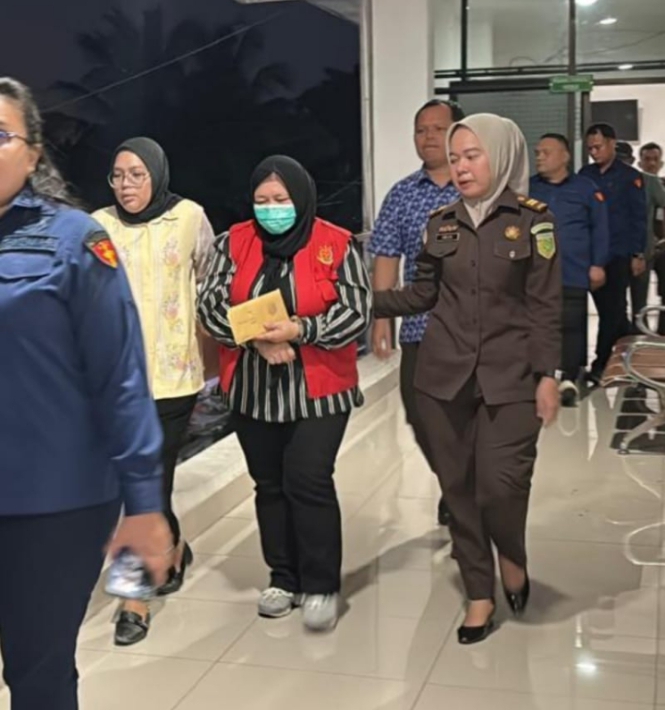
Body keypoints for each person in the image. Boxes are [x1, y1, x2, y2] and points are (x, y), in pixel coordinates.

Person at [0, 77, 171, 710]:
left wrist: (145, 506)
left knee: (37, 673)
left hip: (52, 504)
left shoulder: (73, 241)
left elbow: (120, 378)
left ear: (33, 153)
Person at [373, 114, 561, 645]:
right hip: (442, 378)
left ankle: (512, 557)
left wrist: (548, 375)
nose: (460, 166)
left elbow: (545, 306)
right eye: (455, 158)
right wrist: (363, 302)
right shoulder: (441, 223)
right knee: (457, 489)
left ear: (499, 156)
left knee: (501, 486)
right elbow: (422, 293)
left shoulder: (534, 221)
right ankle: (479, 591)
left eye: (472, 155)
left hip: (511, 377)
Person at [198, 156, 371, 632]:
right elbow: (209, 304)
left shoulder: (336, 244)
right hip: (253, 388)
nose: (271, 209)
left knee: (308, 479)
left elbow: (356, 310)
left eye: (280, 199)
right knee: (269, 484)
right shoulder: (232, 243)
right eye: (262, 201)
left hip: (319, 388)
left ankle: (320, 585)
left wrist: (299, 330)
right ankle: (282, 577)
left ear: (301, 197)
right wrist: (256, 337)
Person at [92, 138, 213, 646]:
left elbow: (210, 282)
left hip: (172, 379)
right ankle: (174, 549)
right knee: (140, 488)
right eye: (118, 175)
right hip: (115, 381)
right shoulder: (98, 226)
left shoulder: (189, 218)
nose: (126, 185)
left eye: (137, 174)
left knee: (145, 490)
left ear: (157, 174)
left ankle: (134, 600)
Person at [368, 99, 463, 525]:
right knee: (421, 414)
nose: (428, 137)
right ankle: (454, 483)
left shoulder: (475, 186)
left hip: (475, 329)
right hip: (420, 328)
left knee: (468, 416)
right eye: (421, 129)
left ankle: (464, 490)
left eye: (437, 128)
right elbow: (387, 257)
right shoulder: (403, 193)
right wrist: (381, 319)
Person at [530, 133, 609, 406]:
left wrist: (597, 264)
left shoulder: (585, 188)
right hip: (536, 274)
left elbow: (600, 228)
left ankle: (569, 378)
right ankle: (541, 376)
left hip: (573, 269)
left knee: (571, 325)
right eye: (537, 152)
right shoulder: (528, 189)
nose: (539, 157)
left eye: (546, 152)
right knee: (539, 325)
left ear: (564, 156)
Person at [579, 124, 647, 383]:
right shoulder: (585, 175)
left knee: (612, 310)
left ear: (611, 143)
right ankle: (632, 353)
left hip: (619, 252)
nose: (594, 152)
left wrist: (638, 254)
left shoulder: (630, 177)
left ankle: (601, 364)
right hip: (591, 253)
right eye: (590, 149)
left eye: (598, 147)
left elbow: (638, 217)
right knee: (613, 312)